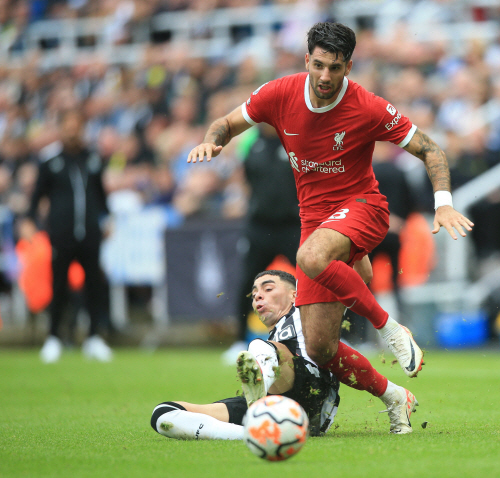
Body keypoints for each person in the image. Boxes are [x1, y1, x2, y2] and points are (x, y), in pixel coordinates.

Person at [187, 22, 473, 391]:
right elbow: (225, 123)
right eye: (318, 65)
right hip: (316, 222)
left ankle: (391, 328)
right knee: (319, 348)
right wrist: (212, 142)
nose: (325, 75)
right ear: (307, 60)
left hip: (364, 207)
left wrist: (444, 204)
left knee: (308, 256)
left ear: (348, 67)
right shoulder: (278, 94)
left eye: (335, 68)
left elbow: (430, 149)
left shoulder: (367, 106)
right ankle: (394, 397)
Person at [151, 270, 418, 439]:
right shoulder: (273, 337)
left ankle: (260, 403)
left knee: (258, 348)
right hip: (278, 402)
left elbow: (355, 278)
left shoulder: (307, 312)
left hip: (311, 398)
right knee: (163, 415)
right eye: (255, 293)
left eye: (268, 289)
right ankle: (251, 432)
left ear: (295, 295)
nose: (258, 297)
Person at [23, 109, 113, 363]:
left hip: (90, 233)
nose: (73, 131)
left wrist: (107, 217)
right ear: (61, 129)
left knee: (94, 284)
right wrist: (29, 220)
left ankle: (95, 337)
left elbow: (100, 194)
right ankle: (53, 337)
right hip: (61, 233)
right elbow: (37, 195)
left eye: (77, 126)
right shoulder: (51, 161)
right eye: (68, 126)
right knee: (59, 284)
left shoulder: (92, 159)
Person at [221, 123, 301, 364]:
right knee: (248, 282)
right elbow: (243, 177)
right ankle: (238, 340)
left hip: (291, 225)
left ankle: (331, 336)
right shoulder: (249, 143)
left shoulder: (294, 139)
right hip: (259, 226)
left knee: (311, 281)